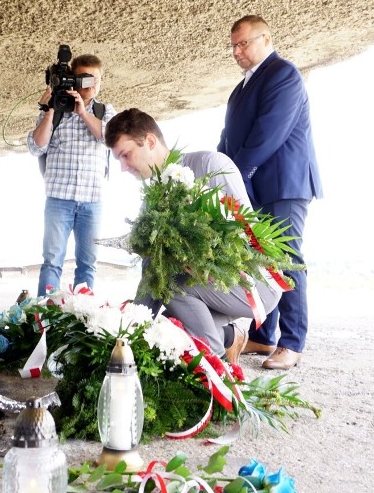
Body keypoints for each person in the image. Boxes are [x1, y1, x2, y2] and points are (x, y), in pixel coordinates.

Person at [105, 108, 280, 364]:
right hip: (207, 288)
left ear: (150, 141)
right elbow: (151, 269)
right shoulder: (151, 201)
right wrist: (134, 327)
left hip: (252, 285)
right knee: (167, 332)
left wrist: (198, 259)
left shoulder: (210, 165)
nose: (122, 167)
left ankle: (216, 368)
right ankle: (230, 338)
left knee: (171, 285)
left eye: (126, 155)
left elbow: (248, 235)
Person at [218, 15, 323, 370]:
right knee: (260, 261)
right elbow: (229, 137)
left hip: (283, 184)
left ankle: (292, 343)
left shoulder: (283, 73)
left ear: (265, 38)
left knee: (285, 259)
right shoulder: (241, 87)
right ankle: (264, 336)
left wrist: (238, 173)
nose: (236, 51)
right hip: (256, 186)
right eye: (233, 45)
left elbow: (269, 133)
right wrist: (218, 169)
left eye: (243, 43)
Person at [27, 53, 116, 297]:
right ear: (72, 80)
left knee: (87, 265)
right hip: (58, 199)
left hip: (92, 201)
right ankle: (44, 321)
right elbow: (36, 147)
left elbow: (109, 137)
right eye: (85, 80)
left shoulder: (103, 110)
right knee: (52, 262)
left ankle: (80, 322)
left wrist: (83, 113)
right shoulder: (56, 112)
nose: (92, 86)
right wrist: (48, 110)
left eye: (96, 80)